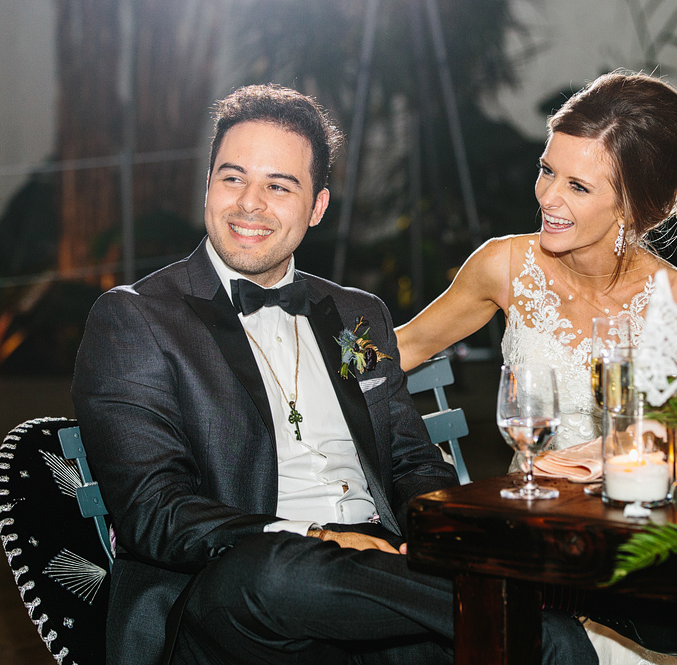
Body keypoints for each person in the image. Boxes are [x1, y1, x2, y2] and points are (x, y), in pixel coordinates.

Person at [73, 84, 599, 664]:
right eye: (232, 177)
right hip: (238, 598)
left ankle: (503, 607)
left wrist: (441, 542)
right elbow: (156, 511)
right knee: (275, 572)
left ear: (318, 206)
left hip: (378, 588)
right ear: (207, 186)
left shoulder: (357, 315)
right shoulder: (137, 318)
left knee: (559, 642)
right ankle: (502, 603)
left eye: (279, 186)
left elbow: (412, 463)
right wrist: (316, 539)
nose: (250, 203)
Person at [397, 71, 677, 450]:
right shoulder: (505, 265)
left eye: (577, 186)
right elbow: (407, 346)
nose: (548, 197)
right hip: (530, 497)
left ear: (629, 209)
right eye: (547, 170)